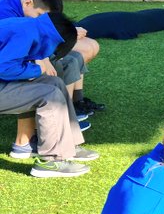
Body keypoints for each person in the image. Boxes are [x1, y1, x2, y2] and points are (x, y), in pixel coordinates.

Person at [0, 11, 98, 177]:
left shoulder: (30, 27)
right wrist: (37, 69)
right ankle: (51, 161)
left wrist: (37, 69)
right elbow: (4, 68)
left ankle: (68, 146)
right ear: (56, 40)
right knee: (49, 95)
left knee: (55, 83)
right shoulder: (25, 32)